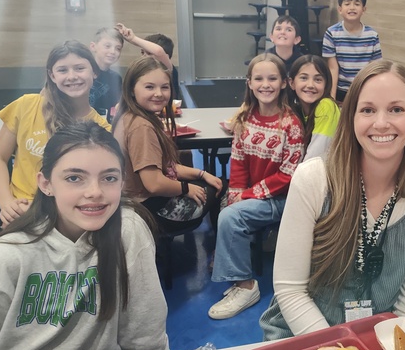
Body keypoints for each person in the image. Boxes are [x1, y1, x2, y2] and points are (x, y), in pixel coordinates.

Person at [0, 122, 169, 350]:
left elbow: (145, 335)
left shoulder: (129, 231)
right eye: (74, 178)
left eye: (109, 178)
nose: (95, 192)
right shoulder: (7, 257)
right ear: (46, 183)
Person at [260, 60, 405, 340]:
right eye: (368, 110)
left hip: (384, 340)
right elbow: (291, 291)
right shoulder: (313, 179)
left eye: (396, 109)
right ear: (351, 117)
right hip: (304, 334)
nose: (382, 122)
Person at [207, 54, 305, 320]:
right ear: (249, 83)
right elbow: (238, 162)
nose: (266, 84)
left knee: (231, 214)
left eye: (272, 78)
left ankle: (246, 286)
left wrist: (247, 196)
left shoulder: (291, 125)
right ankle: (235, 264)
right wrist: (236, 194)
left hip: (282, 199)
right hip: (256, 197)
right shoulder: (244, 118)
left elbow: (288, 176)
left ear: (284, 83)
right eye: (259, 78)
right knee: (224, 201)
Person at [0, 41, 111, 229]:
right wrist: (6, 203)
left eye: (79, 68)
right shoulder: (26, 105)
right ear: (52, 75)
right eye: (62, 70)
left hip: (66, 219)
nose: (72, 76)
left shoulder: (100, 129)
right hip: (20, 210)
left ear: (94, 72)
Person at [112, 57, 222, 233]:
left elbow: (166, 167)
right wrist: (185, 188)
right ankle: (220, 251)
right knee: (221, 188)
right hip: (151, 208)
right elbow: (154, 183)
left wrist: (202, 174)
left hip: (135, 202)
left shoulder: (128, 116)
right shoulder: (142, 127)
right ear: (132, 89)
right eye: (149, 87)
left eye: (164, 87)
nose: (159, 93)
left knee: (208, 181)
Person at [322, 0, 381, 102]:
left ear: (364, 9)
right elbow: (333, 68)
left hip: (364, 89)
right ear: (340, 9)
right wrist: (332, 98)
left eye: (357, 4)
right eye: (347, 4)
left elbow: (375, 68)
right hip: (341, 90)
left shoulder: (372, 35)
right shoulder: (331, 33)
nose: (352, 8)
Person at [288, 55, 341, 161]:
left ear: (326, 85)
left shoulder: (326, 106)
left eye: (318, 79)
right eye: (304, 78)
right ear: (292, 83)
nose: (310, 85)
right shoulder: (297, 110)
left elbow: (314, 159)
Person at [115, 23, 179, 102]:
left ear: (167, 57)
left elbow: (158, 51)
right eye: (142, 52)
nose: (144, 56)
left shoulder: (167, 68)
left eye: (149, 53)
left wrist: (133, 38)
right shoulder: (141, 71)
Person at [88, 26, 125, 115]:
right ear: (93, 46)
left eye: (118, 48)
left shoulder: (116, 78)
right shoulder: (82, 73)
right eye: (107, 46)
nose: (113, 51)